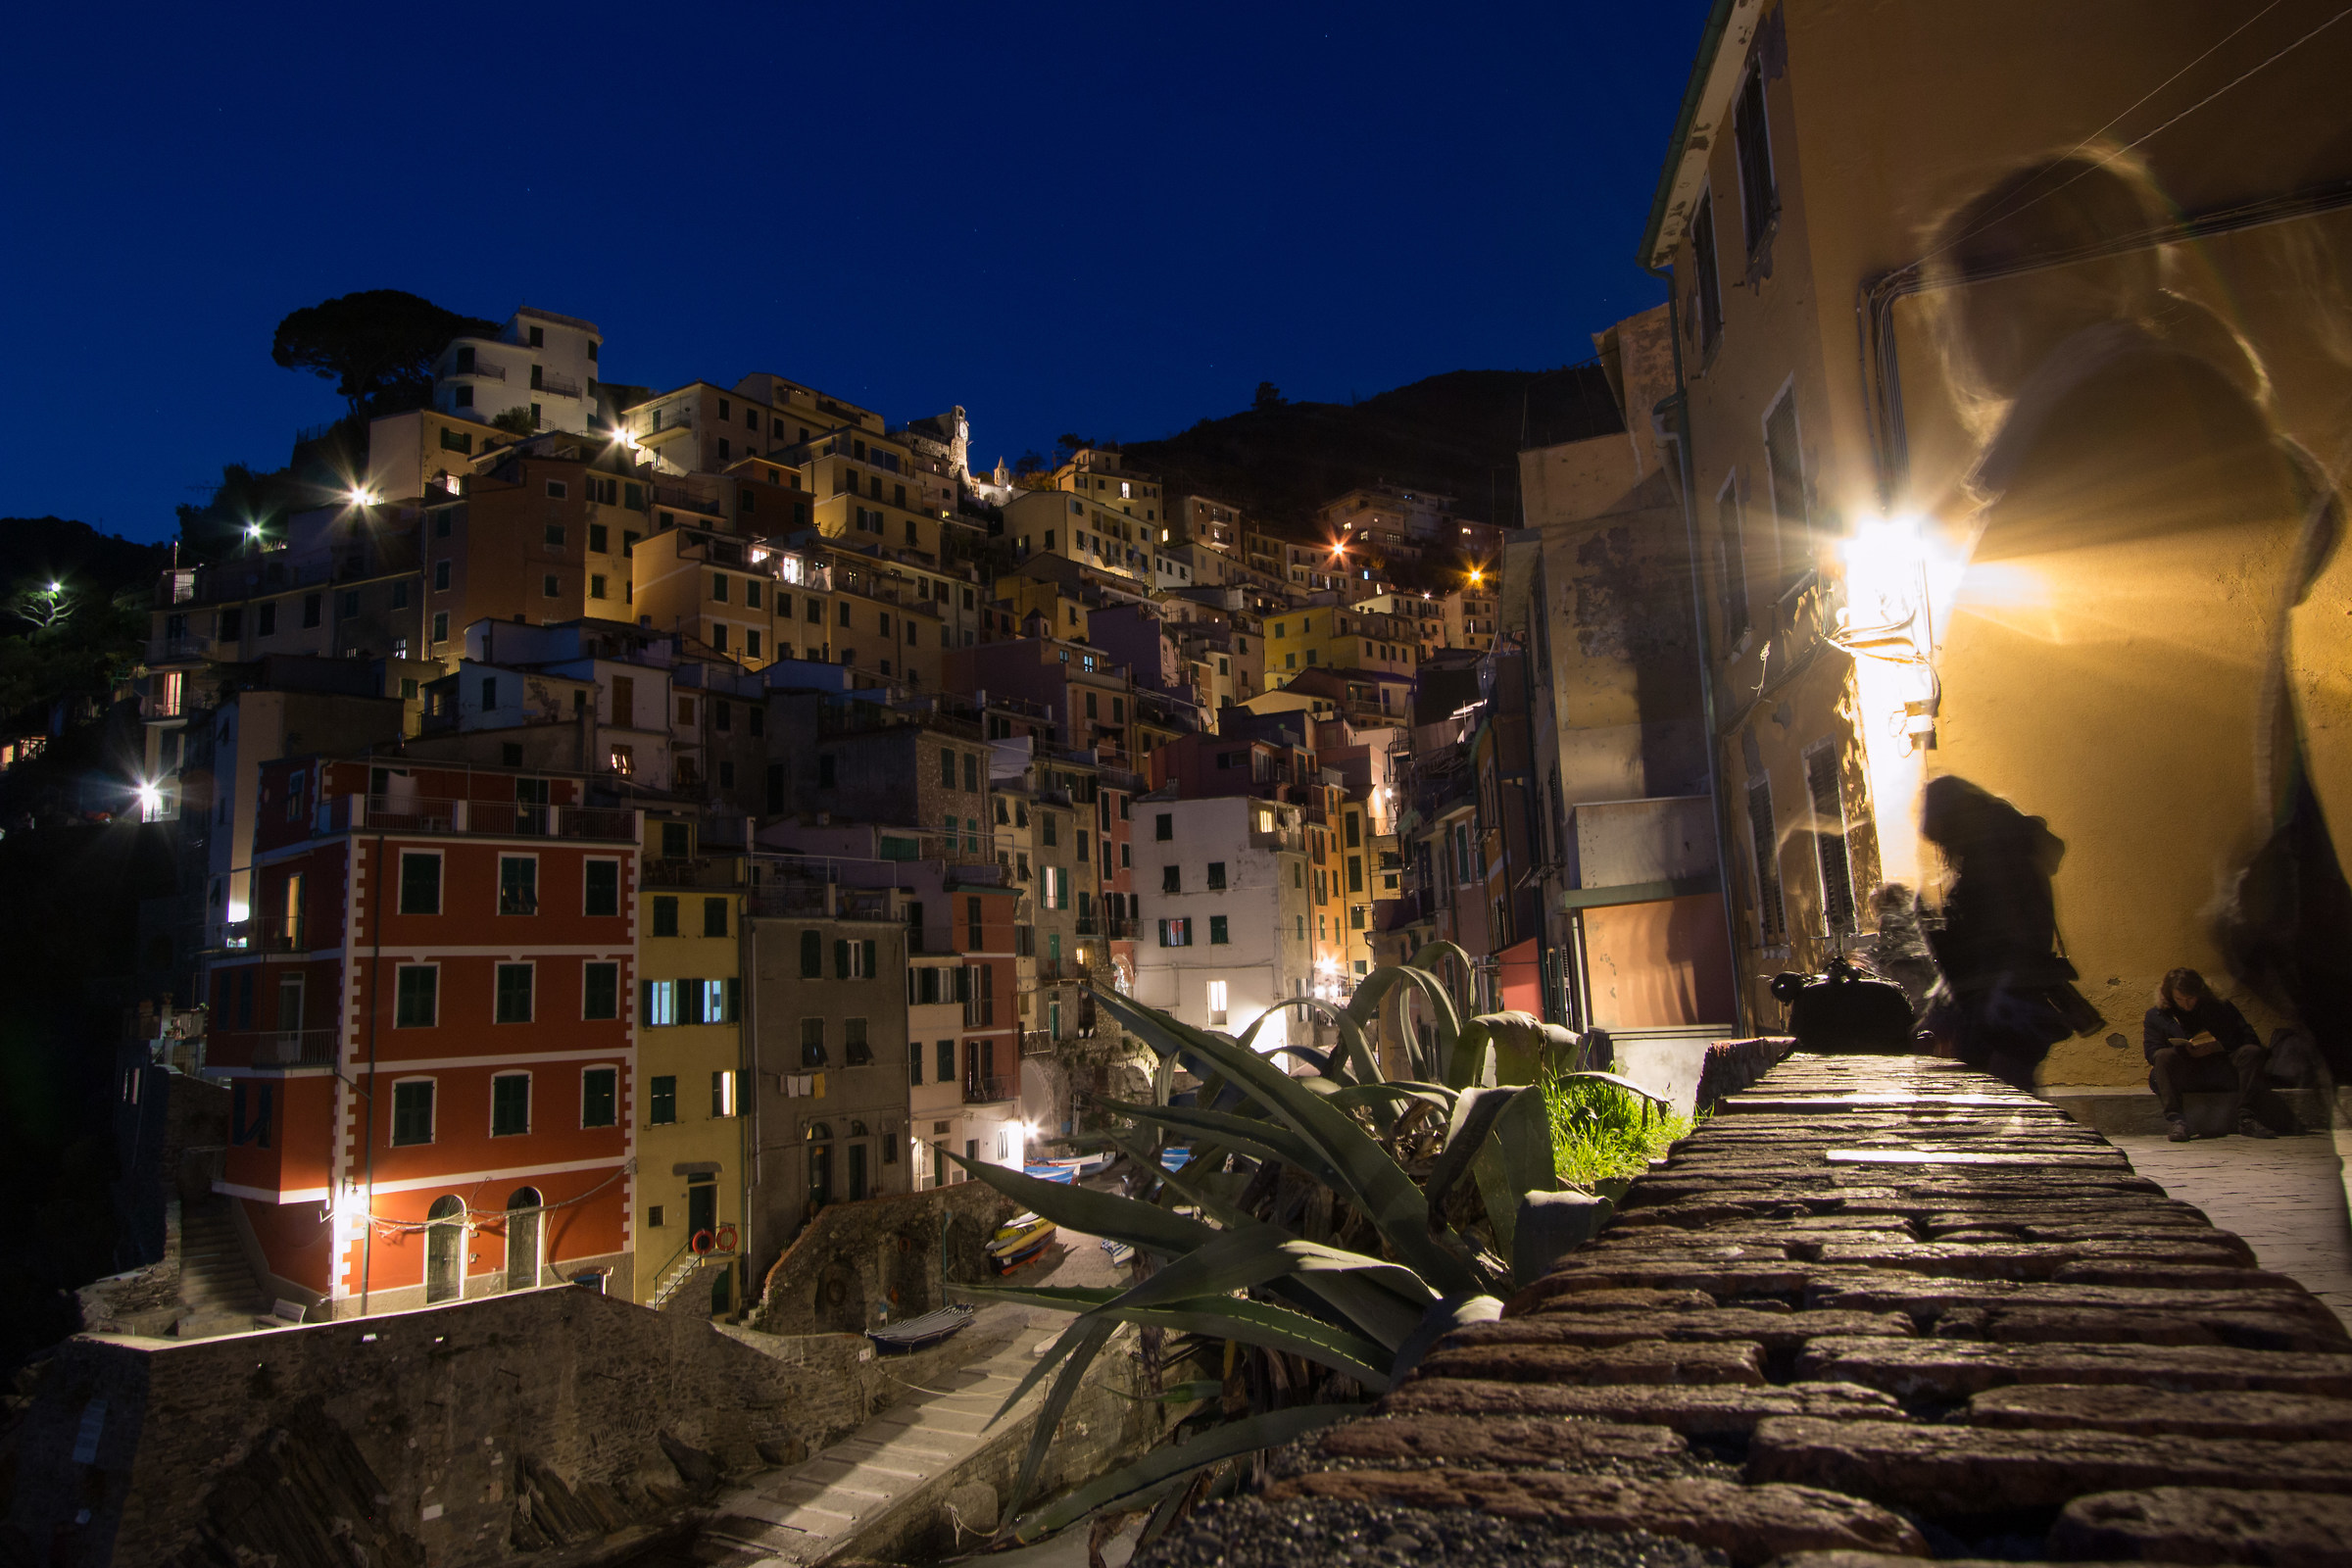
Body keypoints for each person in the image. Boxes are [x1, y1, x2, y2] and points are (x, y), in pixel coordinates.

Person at [1920, 776, 2097, 1090]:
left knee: (2001, 1092)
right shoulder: (2010, 844)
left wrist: (1932, 925)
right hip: (2016, 989)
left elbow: (1983, 929)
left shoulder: (1987, 854)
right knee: (2009, 1086)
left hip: (1999, 995)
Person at [2142, 967, 2298, 1142]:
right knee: (2163, 1056)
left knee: (2251, 1052)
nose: (2186, 1004)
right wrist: (2182, 1051)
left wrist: (2220, 1046)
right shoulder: (2157, 1015)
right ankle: (2177, 1121)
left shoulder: (2220, 1007)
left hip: (2220, 1069)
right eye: (2180, 1000)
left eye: (2191, 999)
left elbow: (2250, 1038)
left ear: (2199, 994)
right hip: (2185, 1074)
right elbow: (2151, 1052)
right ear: (2171, 996)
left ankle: (2246, 1118)